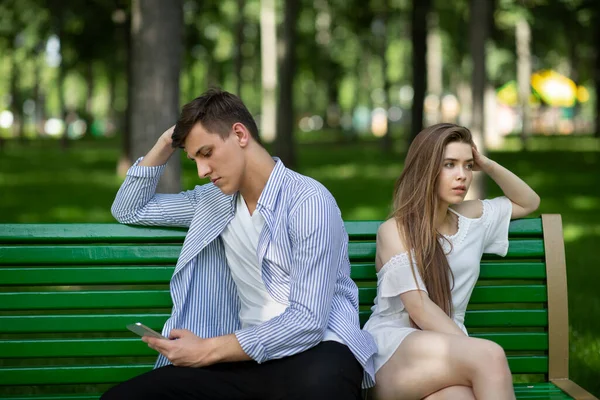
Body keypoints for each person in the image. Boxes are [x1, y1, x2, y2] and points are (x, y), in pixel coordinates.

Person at [102, 89, 377, 400]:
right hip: (244, 360)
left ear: (239, 134)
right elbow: (130, 208)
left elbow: (307, 322)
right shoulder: (213, 200)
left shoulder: (308, 201)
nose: (202, 171)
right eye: (194, 159)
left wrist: (207, 350)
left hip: (318, 354)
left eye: (206, 153)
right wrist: (167, 142)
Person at [363, 123, 540, 400]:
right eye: (449, 164)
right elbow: (419, 308)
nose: (462, 176)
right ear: (426, 169)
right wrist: (477, 353)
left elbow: (529, 202)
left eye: (468, 166)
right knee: (491, 355)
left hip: (448, 353)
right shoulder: (394, 230)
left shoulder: (473, 219)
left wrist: (487, 164)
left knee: (460, 397)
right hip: (394, 356)